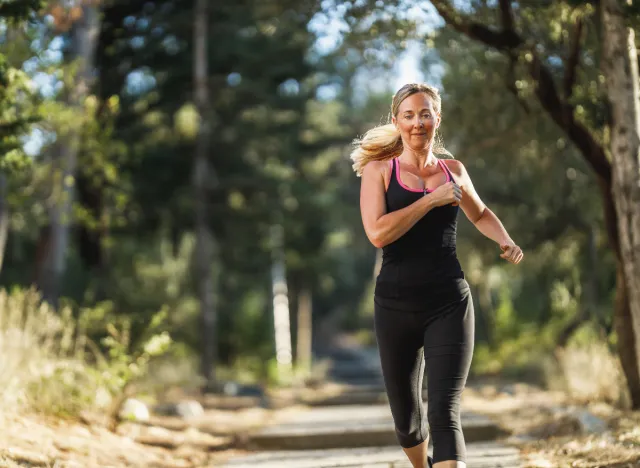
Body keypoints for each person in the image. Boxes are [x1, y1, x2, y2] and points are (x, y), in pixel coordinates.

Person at [351, 83, 523, 468]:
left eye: (425, 113)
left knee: (445, 413)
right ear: (396, 121)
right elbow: (377, 233)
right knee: (407, 422)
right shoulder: (379, 171)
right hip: (395, 305)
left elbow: (479, 213)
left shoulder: (454, 170)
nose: (417, 123)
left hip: (449, 300)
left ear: (437, 118)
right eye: (408, 115)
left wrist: (505, 239)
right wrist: (431, 200)